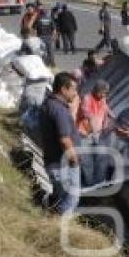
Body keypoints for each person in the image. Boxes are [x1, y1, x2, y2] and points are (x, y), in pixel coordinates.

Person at [40, 72, 82, 215]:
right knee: (72, 198)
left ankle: (50, 217)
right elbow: (64, 139)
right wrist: (74, 160)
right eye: (73, 89)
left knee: (61, 196)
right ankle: (59, 227)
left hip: (53, 161)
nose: (75, 93)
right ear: (63, 89)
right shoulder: (59, 110)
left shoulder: (49, 104)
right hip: (62, 163)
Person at [77, 79, 114, 186]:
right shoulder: (87, 98)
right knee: (85, 162)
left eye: (105, 93)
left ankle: (90, 184)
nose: (104, 95)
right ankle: (88, 185)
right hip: (83, 134)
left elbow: (107, 111)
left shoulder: (103, 100)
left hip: (96, 137)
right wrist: (91, 119)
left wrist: (110, 121)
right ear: (97, 90)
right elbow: (85, 112)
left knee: (95, 161)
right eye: (103, 92)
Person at [34, 3, 56, 67]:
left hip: (40, 37)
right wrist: (53, 36)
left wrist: (36, 37)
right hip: (49, 37)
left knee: (43, 51)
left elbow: (35, 29)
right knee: (50, 51)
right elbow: (54, 29)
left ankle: (44, 63)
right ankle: (52, 63)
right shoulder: (50, 19)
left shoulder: (38, 20)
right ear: (47, 13)